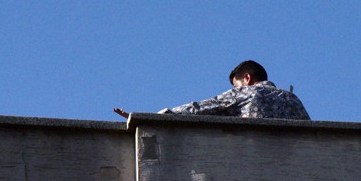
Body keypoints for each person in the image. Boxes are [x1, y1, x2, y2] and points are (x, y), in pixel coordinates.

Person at [114, 60, 310, 120]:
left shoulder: (248, 92)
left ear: (247, 78)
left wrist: (150, 117)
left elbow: (200, 108)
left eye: (236, 85)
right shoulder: (293, 99)